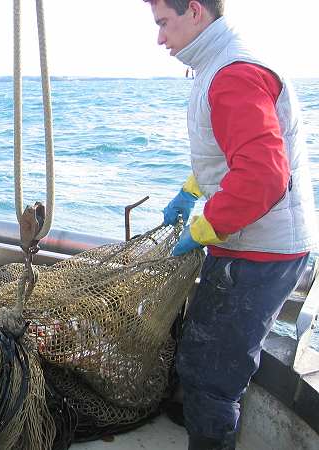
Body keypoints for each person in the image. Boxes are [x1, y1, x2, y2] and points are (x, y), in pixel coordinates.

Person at [141, 1, 318, 449]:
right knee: (201, 352)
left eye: (164, 22)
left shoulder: (234, 73)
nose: (160, 38)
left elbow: (262, 176)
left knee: (211, 372)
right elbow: (227, 153)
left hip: (262, 252)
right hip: (243, 240)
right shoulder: (218, 64)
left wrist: (204, 228)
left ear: (195, 11)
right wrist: (190, 190)